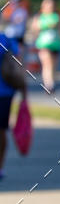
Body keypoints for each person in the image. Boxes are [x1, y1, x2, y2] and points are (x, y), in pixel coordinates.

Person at [0, 33, 27, 179]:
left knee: (1, 130)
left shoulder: (6, 40)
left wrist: (23, 88)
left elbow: (18, 64)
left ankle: (0, 166)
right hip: (5, 92)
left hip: (4, 92)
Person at [32, 0, 60, 94]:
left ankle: (52, 82)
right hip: (44, 44)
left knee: (54, 65)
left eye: (51, 6)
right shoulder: (39, 17)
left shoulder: (56, 16)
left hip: (55, 44)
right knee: (47, 64)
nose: (50, 7)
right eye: (48, 5)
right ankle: (49, 85)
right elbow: (35, 29)